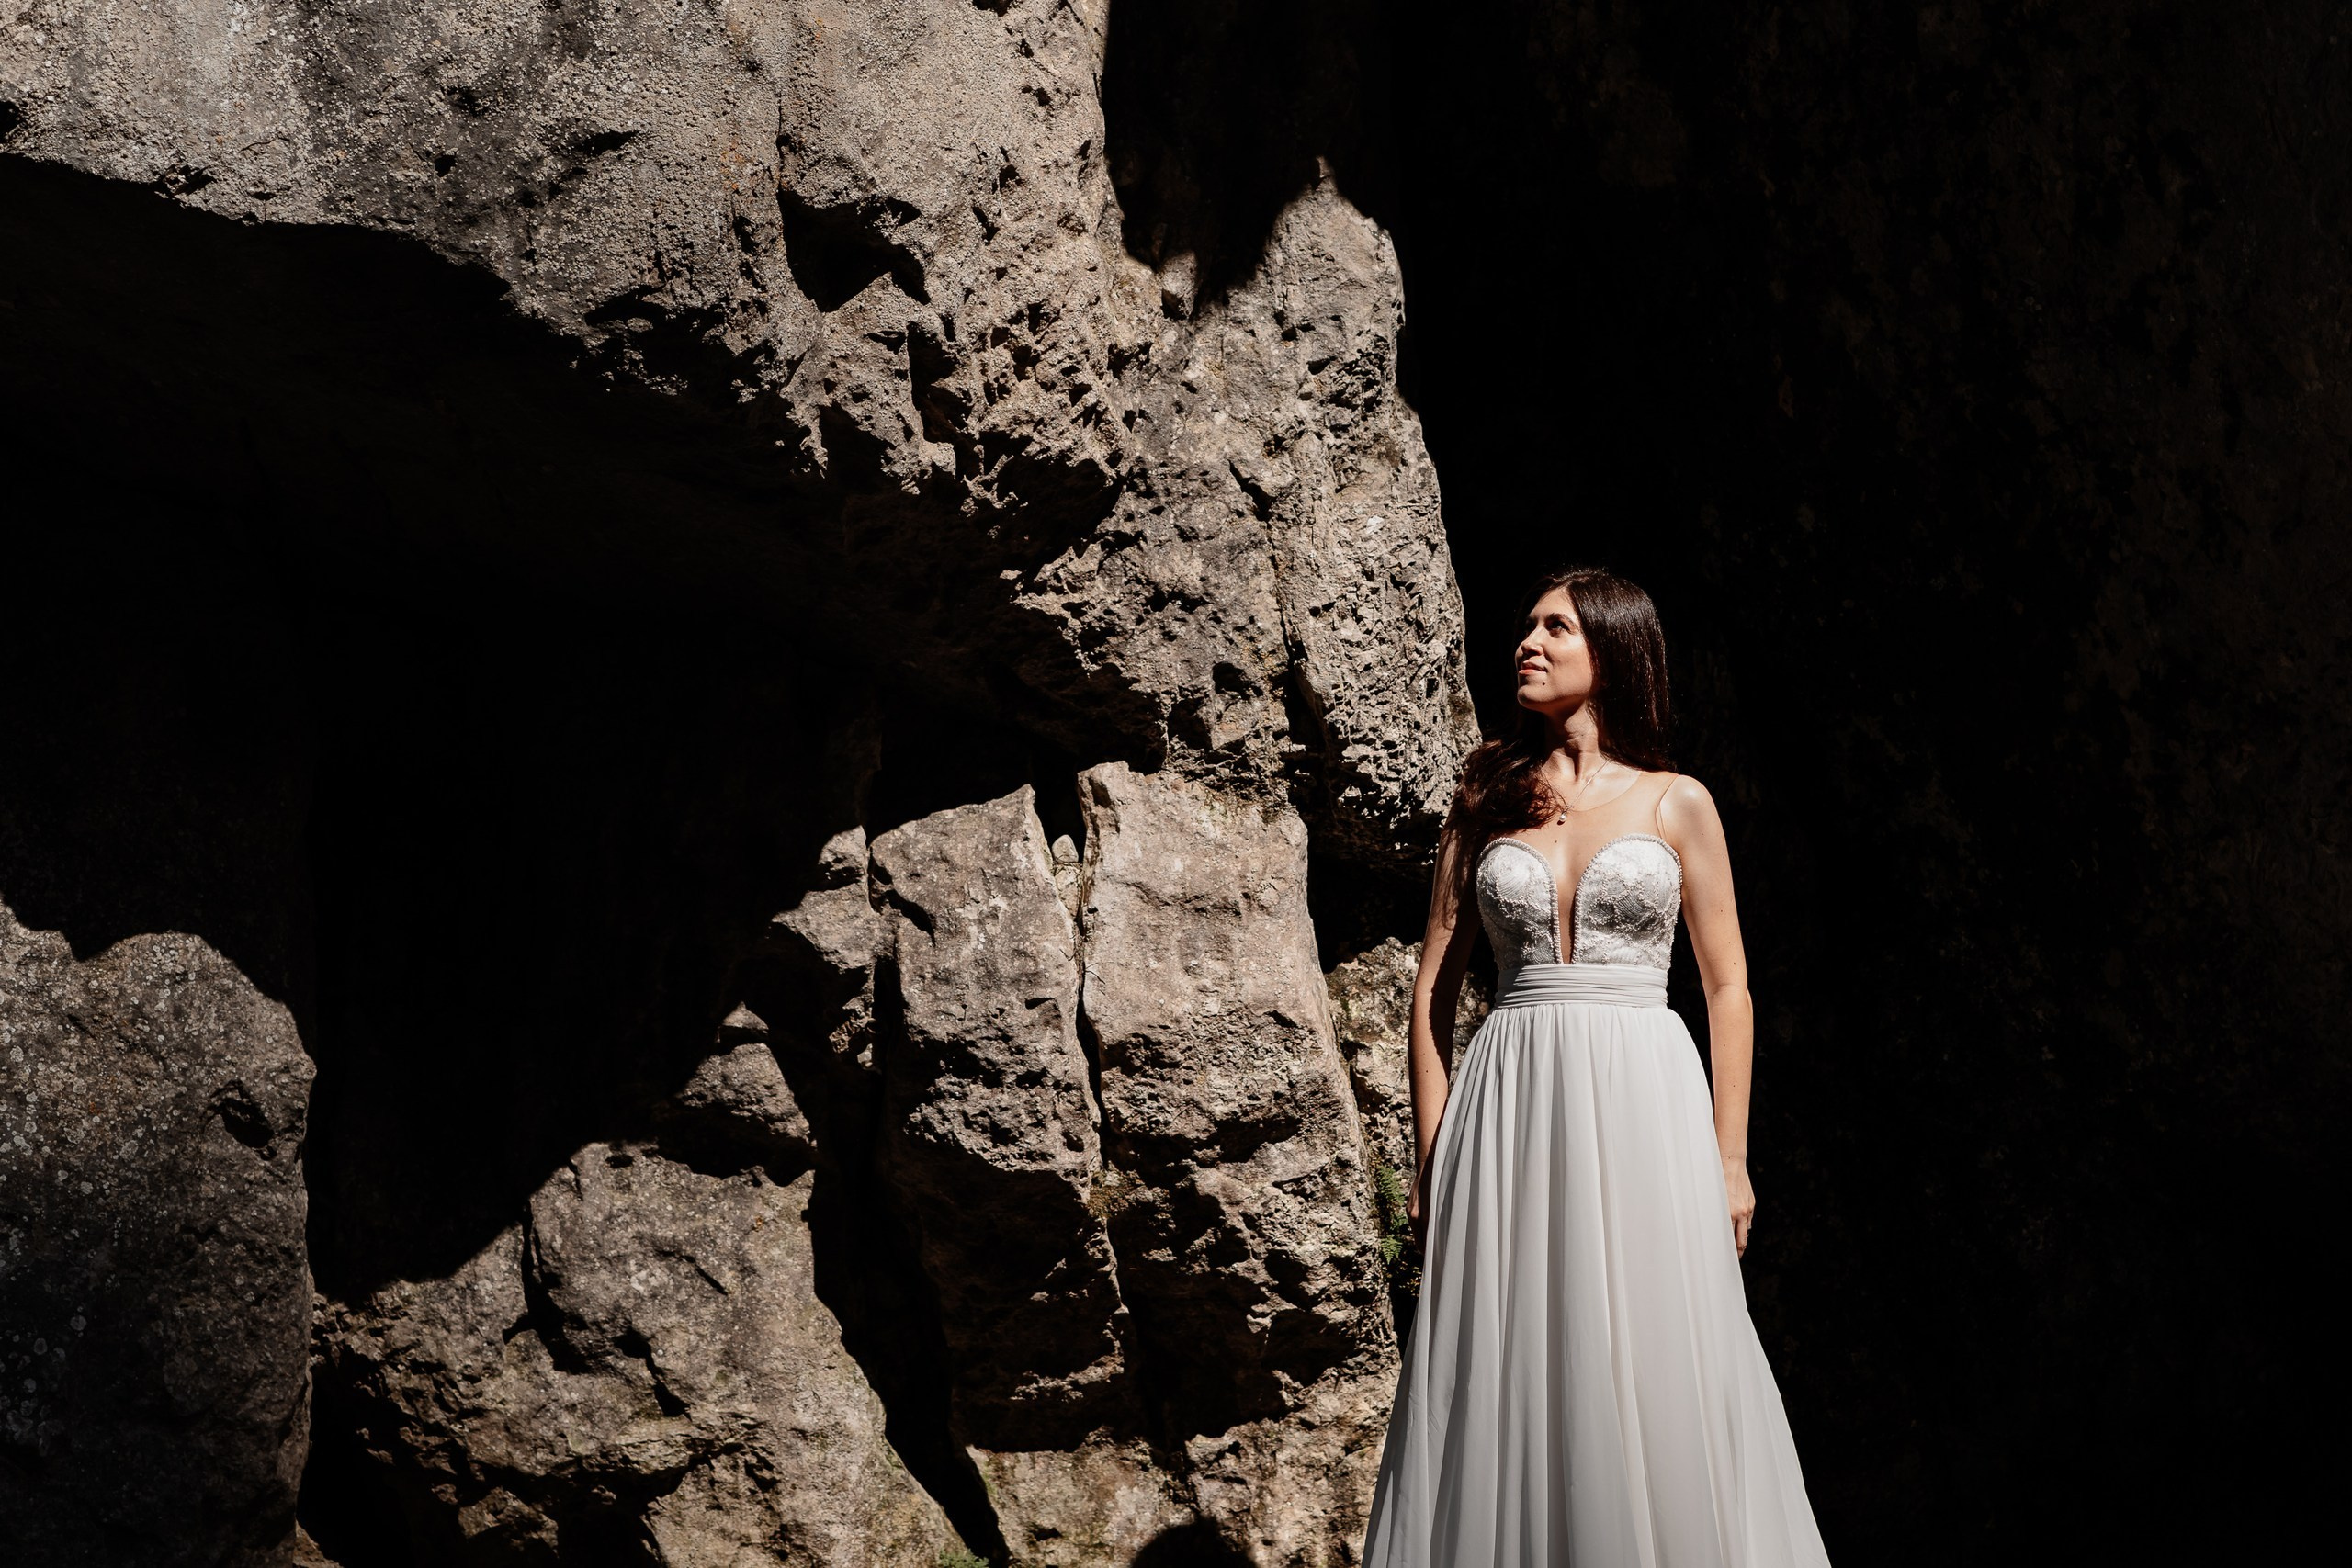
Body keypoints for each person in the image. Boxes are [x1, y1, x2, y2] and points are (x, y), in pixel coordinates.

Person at [1362, 567, 1832, 1567]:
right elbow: (1432, 994)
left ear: (1611, 650)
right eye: (1526, 625)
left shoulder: (1677, 802)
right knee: (1508, 1356)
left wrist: (1732, 1159)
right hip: (1509, 1103)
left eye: (1555, 628)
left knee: (1660, 1348)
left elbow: (1728, 989)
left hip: (1643, 1098)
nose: (1526, 642)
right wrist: (1434, 1155)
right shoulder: (1483, 797)